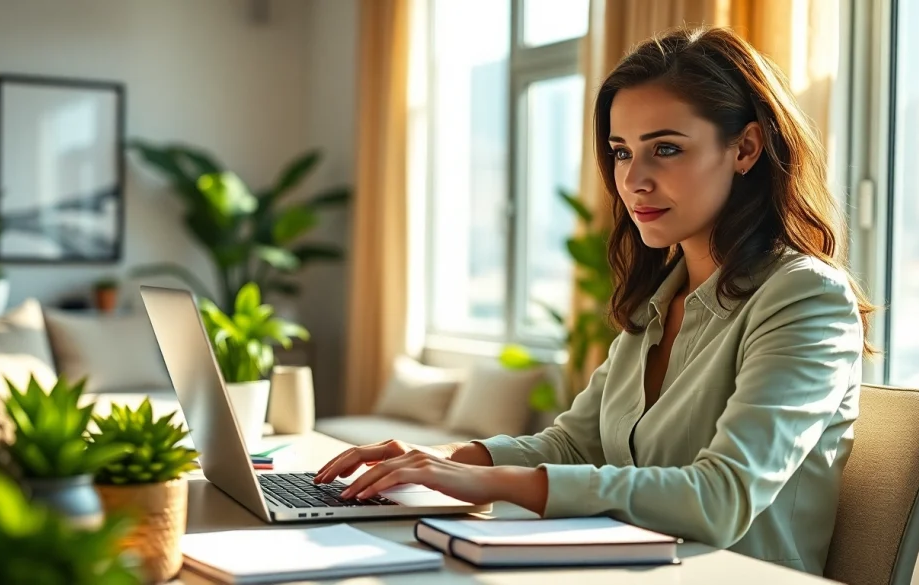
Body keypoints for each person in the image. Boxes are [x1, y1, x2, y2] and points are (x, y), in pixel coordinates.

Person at [315, 26, 874, 576]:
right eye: (622, 152)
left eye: (666, 149)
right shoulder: (657, 299)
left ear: (745, 148)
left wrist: (485, 482)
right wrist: (444, 461)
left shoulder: (805, 296)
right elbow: (573, 443)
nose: (634, 179)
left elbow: (720, 497)